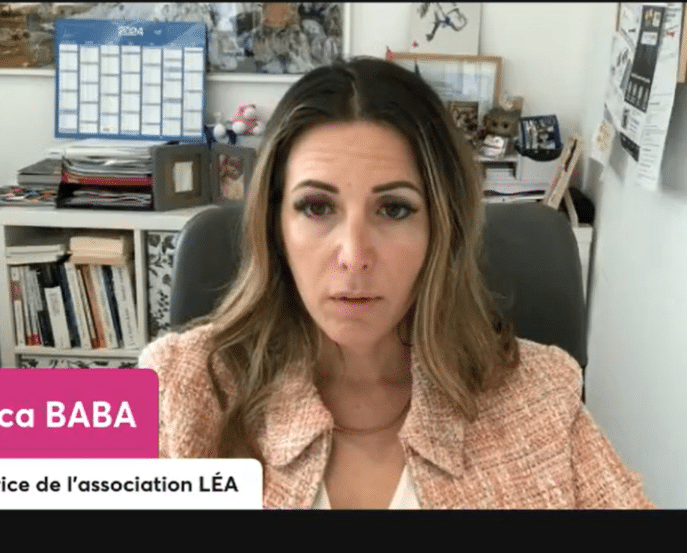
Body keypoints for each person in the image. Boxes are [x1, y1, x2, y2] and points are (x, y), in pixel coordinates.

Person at [140, 57, 654, 509]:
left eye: (394, 209)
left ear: (441, 228)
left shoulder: (542, 393)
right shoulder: (171, 383)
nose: (354, 256)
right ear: (275, 226)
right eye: (316, 207)